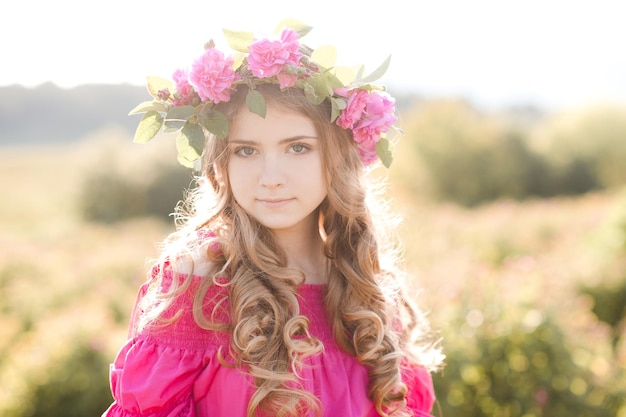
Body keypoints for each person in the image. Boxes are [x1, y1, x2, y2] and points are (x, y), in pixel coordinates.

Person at [103, 19, 443, 417]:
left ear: (337, 157)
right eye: (246, 151)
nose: (271, 178)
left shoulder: (365, 289)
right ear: (221, 164)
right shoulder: (197, 287)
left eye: (297, 148)